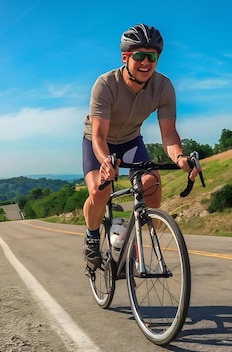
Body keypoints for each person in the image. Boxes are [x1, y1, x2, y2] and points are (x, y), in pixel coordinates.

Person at [82, 24, 201, 270]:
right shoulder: (105, 85)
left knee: (153, 184)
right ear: (125, 57)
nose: (146, 62)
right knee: (98, 192)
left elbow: (168, 134)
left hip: (130, 140)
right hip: (99, 142)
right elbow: (99, 136)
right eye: (139, 55)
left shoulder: (163, 87)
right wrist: (106, 162)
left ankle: (131, 228)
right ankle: (92, 236)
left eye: (152, 56)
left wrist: (180, 158)